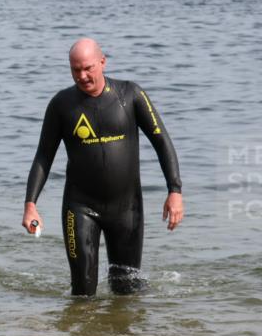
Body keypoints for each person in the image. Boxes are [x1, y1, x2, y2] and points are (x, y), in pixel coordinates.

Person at [23, 38, 184, 296]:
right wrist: (30, 204)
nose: (83, 75)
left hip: (127, 208)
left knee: (127, 290)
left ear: (102, 62)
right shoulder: (61, 105)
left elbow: (162, 141)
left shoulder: (130, 95)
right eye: (76, 70)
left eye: (88, 68)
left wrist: (174, 190)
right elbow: (44, 156)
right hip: (80, 206)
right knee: (83, 293)